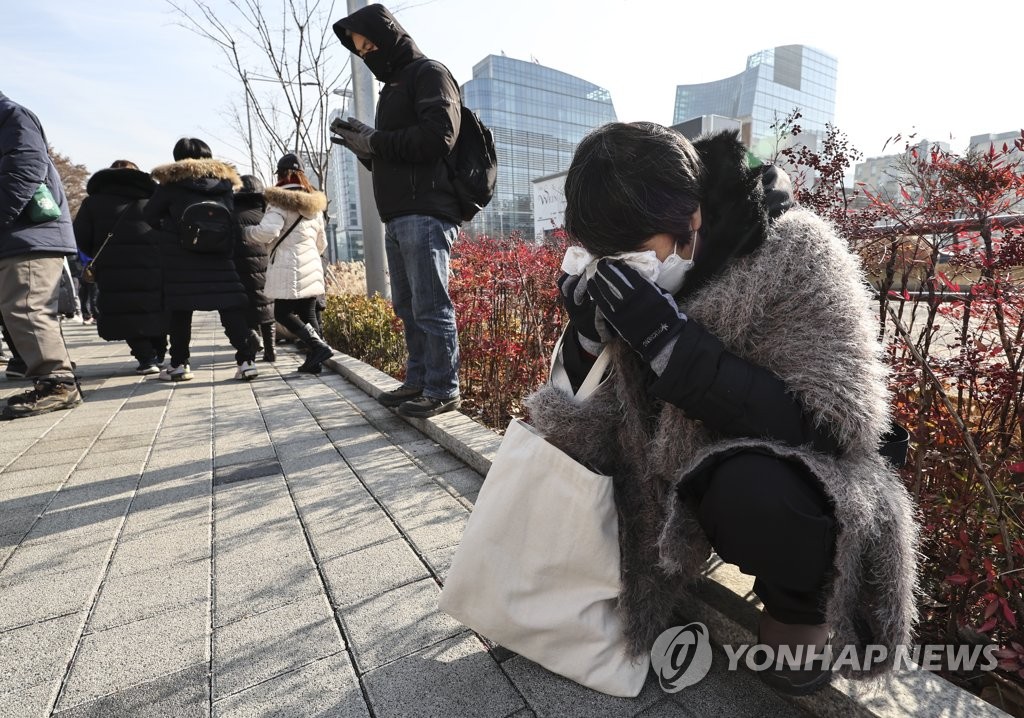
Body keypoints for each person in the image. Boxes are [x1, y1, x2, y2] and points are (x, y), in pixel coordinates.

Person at [526, 123, 918, 695]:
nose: (614, 265)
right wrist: (585, 338)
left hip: (800, 476)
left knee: (752, 490)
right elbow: (590, 422)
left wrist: (673, 346)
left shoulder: (796, 255)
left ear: (692, 224)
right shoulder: (634, 263)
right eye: (595, 253)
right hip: (670, 475)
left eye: (629, 254)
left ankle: (801, 604)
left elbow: (836, 425)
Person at [332, 3, 463, 418]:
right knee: (407, 306)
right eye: (362, 49)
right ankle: (420, 380)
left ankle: (444, 388)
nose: (369, 53)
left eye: (372, 43)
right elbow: (396, 153)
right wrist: (365, 147)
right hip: (398, 213)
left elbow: (438, 138)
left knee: (430, 304)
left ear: (391, 36)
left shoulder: (429, 73)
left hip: (426, 210)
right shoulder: (391, 90)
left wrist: (377, 143)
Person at [145, 138, 257, 382]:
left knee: (180, 311)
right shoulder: (225, 184)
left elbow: (150, 214)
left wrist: (169, 228)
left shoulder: (170, 184)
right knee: (229, 307)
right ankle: (247, 360)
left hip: (181, 257)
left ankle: (179, 365)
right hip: (219, 254)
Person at [0, 91, 82, 419]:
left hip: (28, 233)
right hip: (18, 234)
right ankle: (53, 378)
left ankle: (58, 385)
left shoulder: (11, 116)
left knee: (26, 307)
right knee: (21, 308)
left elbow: (25, 169)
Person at [74, 160, 167, 374]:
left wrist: (99, 252)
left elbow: (80, 236)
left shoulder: (93, 202)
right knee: (156, 305)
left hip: (112, 266)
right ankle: (160, 352)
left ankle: (146, 358)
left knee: (124, 308)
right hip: (153, 261)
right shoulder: (153, 197)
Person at [244, 154, 332, 374]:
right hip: (312, 266)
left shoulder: (279, 202)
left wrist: (247, 232)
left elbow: (268, 232)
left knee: (282, 313)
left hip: (287, 266)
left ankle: (318, 347)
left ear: (281, 174)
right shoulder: (315, 205)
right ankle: (315, 362)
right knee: (308, 314)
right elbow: (322, 243)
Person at [232, 174, 276, 362]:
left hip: (239, 269)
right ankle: (271, 351)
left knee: (246, 310)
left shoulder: (231, 215)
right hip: (266, 269)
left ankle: (252, 344)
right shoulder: (267, 216)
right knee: (266, 308)